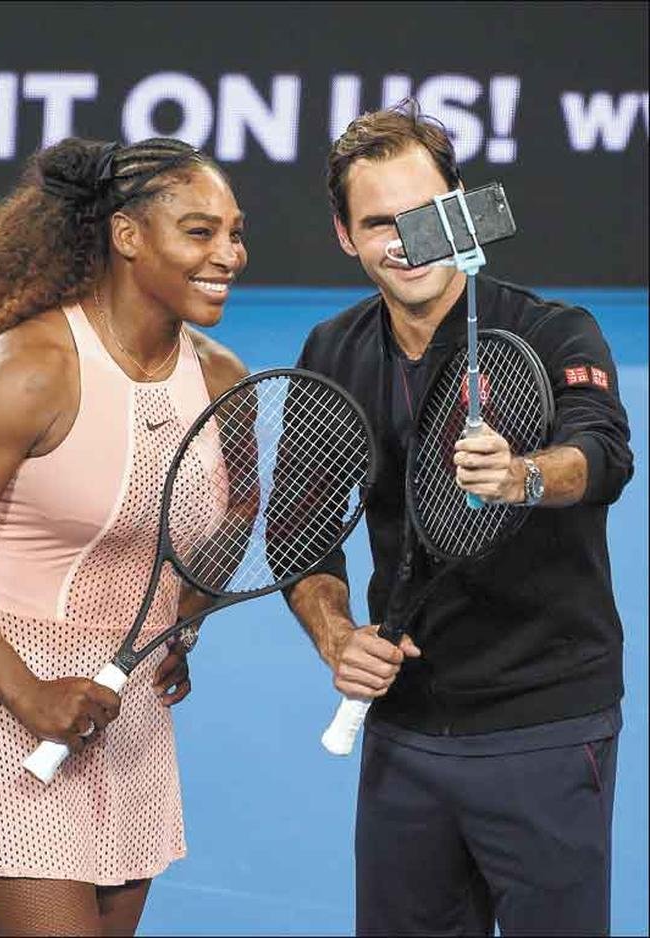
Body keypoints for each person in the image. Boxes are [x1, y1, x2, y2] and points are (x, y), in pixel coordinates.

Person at [0, 135, 248, 936]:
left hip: (129, 717)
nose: (229, 254)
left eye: (235, 232)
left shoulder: (223, 381)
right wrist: (30, 694)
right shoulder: (32, 365)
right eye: (200, 231)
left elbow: (235, 510)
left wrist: (184, 620)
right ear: (129, 236)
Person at [286, 100, 633, 936]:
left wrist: (522, 476)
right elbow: (301, 531)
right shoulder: (332, 353)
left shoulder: (553, 331)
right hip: (405, 732)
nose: (404, 241)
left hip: (544, 723)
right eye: (377, 224)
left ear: (461, 206)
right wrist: (337, 638)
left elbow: (603, 455)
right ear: (345, 236)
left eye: (425, 215)